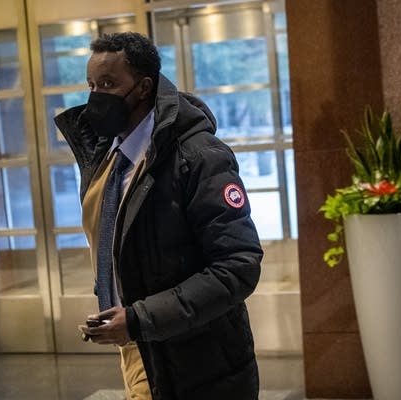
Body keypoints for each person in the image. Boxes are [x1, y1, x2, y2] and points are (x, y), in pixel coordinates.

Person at [55, 31, 263, 400]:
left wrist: (139, 319)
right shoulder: (107, 161)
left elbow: (238, 266)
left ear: (144, 87)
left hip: (201, 364)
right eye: (91, 84)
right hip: (139, 350)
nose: (95, 96)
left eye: (108, 83)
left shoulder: (199, 157)